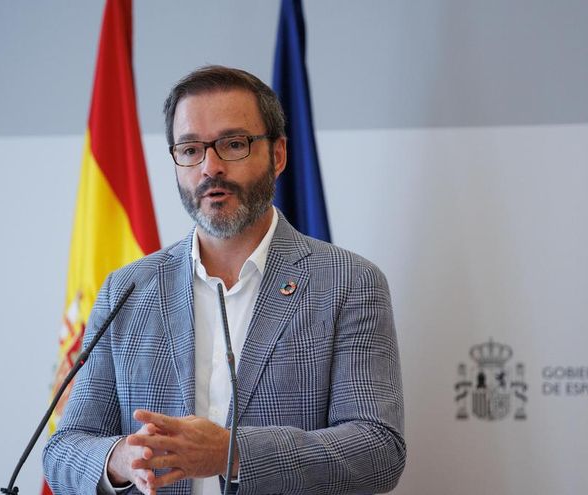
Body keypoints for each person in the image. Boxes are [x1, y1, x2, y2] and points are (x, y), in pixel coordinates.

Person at [43, 65, 405, 495]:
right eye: (191, 149)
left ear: (278, 155)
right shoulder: (128, 290)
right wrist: (119, 459)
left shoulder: (349, 283)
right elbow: (63, 449)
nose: (210, 168)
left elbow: (378, 452)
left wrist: (231, 454)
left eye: (233, 144)